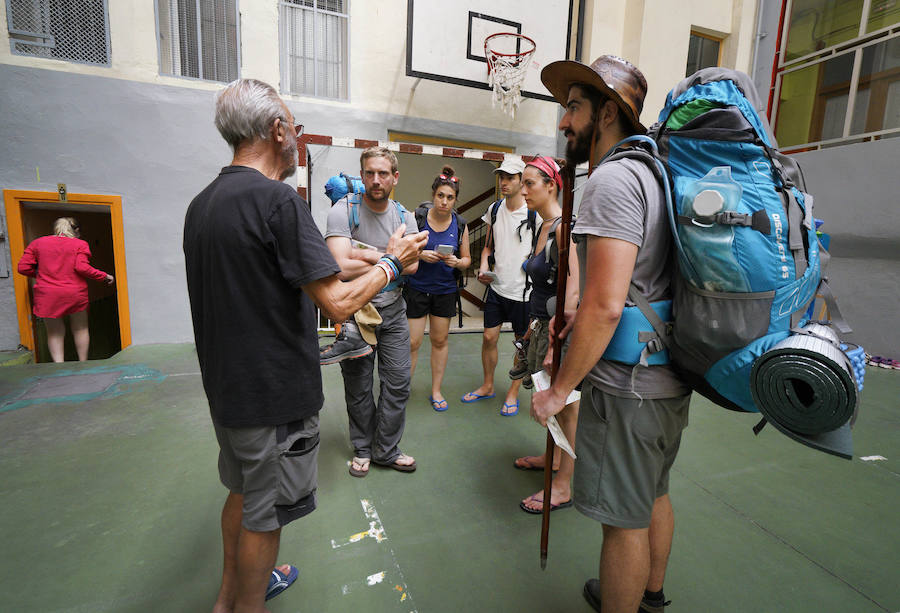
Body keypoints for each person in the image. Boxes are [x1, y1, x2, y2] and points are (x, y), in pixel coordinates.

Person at [183, 78, 426, 613]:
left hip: (226, 392)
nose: (296, 137)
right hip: (271, 397)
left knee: (242, 492)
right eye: (294, 127)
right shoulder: (277, 201)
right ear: (276, 131)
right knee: (265, 515)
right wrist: (391, 263)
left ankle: (229, 598)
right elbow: (337, 303)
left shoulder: (202, 204)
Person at [531, 56, 691, 613]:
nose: (564, 122)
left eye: (573, 107)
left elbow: (603, 306)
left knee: (622, 522)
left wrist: (558, 391)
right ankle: (650, 596)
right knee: (653, 493)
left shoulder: (613, 179)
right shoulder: (655, 174)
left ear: (605, 114)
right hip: (667, 374)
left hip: (628, 389)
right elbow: (633, 288)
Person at [325, 146, 421, 478]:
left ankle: (386, 449)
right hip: (355, 312)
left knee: (398, 384)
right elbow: (339, 266)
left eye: (383, 173)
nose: (376, 180)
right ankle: (363, 449)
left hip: (393, 312)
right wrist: (389, 257)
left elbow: (413, 265)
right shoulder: (343, 210)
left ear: (395, 177)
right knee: (359, 387)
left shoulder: (405, 217)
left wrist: (361, 253)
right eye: (370, 173)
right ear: (362, 175)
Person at [512, 156, 580, 515]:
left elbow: (573, 289)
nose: (522, 190)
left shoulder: (564, 228)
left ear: (551, 186)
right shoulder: (543, 226)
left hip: (559, 331)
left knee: (566, 407)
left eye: (529, 183)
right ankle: (552, 458)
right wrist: (532, 328)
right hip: (541, 324)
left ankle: (564, 484)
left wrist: (555, 343)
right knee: (548, 397)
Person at [461, 158, 536, 416]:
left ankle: (513, 392)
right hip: (497, 288)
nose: (504, 182)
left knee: (521, 345)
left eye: (510, 177)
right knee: (488, 337)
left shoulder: (533, 213)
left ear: (521, 181)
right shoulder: (494, 209)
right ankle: (488, 385)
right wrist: (484, 266)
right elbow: (487, 248)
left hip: (524, 293)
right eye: (501, 177)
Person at [405, 166, 471, 412]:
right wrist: (421, 254)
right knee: (412, 342)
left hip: (444, 290)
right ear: (433, 195)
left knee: (440, 340)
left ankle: (436, 390)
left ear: (455, 200)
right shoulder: (417, 218)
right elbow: (403, 249)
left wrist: (457, 262)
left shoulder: (460, 225)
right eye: (440, 196)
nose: (444, 201)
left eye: (450, 197)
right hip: (416, 288)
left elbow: (467, 260)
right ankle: (402, 389)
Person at [17, 217, 114, 362]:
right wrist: (104, 276)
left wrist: (42, 274)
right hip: (74, 293)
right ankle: (83, 362)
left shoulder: (37, 243)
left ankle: (59, 365)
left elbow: (23, 267)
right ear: (77, 231)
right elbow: (82, 267)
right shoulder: (80, 244)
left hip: (47, 294)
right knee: (80, 329)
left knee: (54, 333)